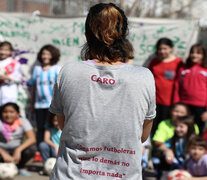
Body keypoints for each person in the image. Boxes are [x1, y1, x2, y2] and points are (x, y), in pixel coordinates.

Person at [49, 3, 156, 180]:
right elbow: (143, 135)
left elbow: (64, 126)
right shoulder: (144, 76)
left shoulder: (69, 71)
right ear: (123, 37)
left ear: (86, 37)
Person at [151, 103, 199, 179]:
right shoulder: (174, 136)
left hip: (190, 165)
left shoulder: (193, 139)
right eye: (176, 126)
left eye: (181, 127)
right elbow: (158, 143)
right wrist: (168, 151)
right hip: (176, 162)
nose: (177, 129)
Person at [148, 38, 183, 136]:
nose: (162, 51)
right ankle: (149, 148)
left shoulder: (178, 63)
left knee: (164, 127)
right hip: (153, 100)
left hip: (169, 102)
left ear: (171, 48)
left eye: (165, 48)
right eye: (160, 49)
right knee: (152, 125)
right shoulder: (154, 61)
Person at [29, 44, 60, 146]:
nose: (45, 56)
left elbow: (59, 87)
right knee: (40, 127)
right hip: (39, 105)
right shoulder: (37, 69)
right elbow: (33, 87)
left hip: (52, 105)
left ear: (53, 55)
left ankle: (53, 148)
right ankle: (40, 149)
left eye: (48, 54)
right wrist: (32, 102)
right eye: (43, 54)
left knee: (51, 127)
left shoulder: (56, 69)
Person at [174, 44, 207, 134]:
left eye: (198, 53)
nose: (194, 55)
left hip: (201, 107)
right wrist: (176, 104)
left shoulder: (205, 69)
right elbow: (177, 86)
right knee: (183, 129)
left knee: (198, 131)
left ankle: (196, 148)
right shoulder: (183, 68)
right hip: (184, 105)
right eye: (192, 52)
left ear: (203, 55)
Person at [0, 102, 36, 176]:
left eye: (11, 112)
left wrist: (18, 149)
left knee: (32, 148)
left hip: (17, 153)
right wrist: (3, 153)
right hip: (1, 152)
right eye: (5, 112)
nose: (8, 115)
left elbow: (32, 138)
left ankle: (20, 166)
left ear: (18, 114)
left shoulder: (23, 121)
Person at [0, 41, 23, 106]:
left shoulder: (14, 63)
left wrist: (8, 78)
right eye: (1, 49)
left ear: (11, 51)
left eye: (6, 50)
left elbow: (19, 79)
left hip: (9, 94)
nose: (3, 52)